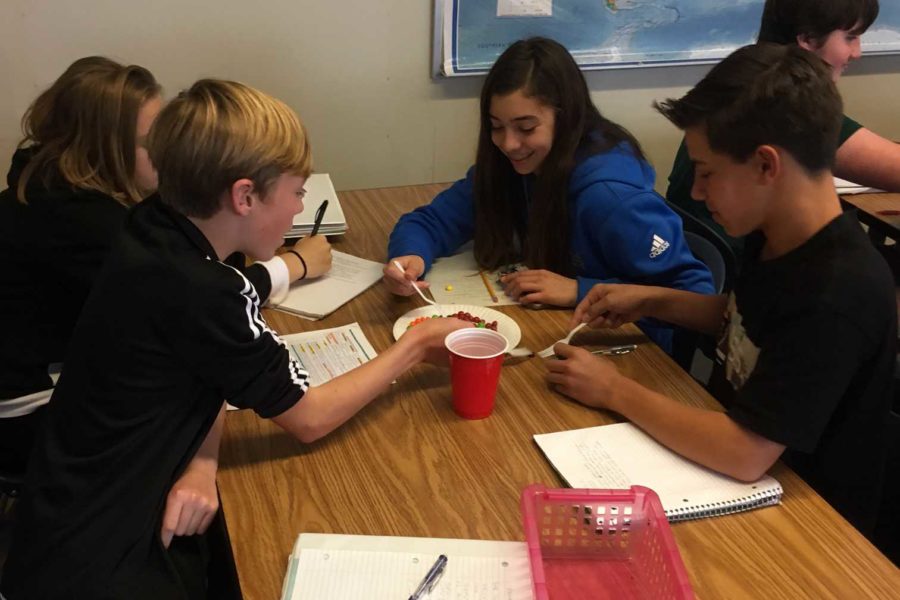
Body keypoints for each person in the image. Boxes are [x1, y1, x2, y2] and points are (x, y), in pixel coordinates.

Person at [0, 79, 467, 598]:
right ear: (244, 196)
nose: (298, 208)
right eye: (296, 191)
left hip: (58, 512)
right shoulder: (207, 292)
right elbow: (308, 418)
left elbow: (202, 365)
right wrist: (414, 347)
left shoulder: (151, 225)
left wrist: (201, 460)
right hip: (102, 553)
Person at [546, 43, 896, 549]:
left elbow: (745, 453)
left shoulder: (837, 292)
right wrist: (649, 300)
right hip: (739, 478)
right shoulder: (777, 230)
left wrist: (614, 391)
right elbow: (745, 321)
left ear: (765, 166)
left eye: (707, 172)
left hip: (810, 524)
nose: (697, 192)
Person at [0, 57, 331, 477]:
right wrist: (292, 266)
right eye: (153, 140)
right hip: (32, 416)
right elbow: (199, 299)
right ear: (106, 148)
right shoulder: (95, 228)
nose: (168, 149)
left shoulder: (70, 187)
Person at [384, 37, 714, 353]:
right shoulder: (508, 166)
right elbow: (430, 221)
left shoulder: (609, 198)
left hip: (633, 355)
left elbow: (696, 296)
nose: (509, 144)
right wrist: (410, 256)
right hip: (555, 330)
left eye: (526, 128)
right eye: (496, 126)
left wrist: (578, 290)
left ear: (566, 118)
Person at [667, 0, 900, 256]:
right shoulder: (785, 105)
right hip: (730, 270)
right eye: (850, 37)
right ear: (809, 39)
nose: (857, 53)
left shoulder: (750, 80)